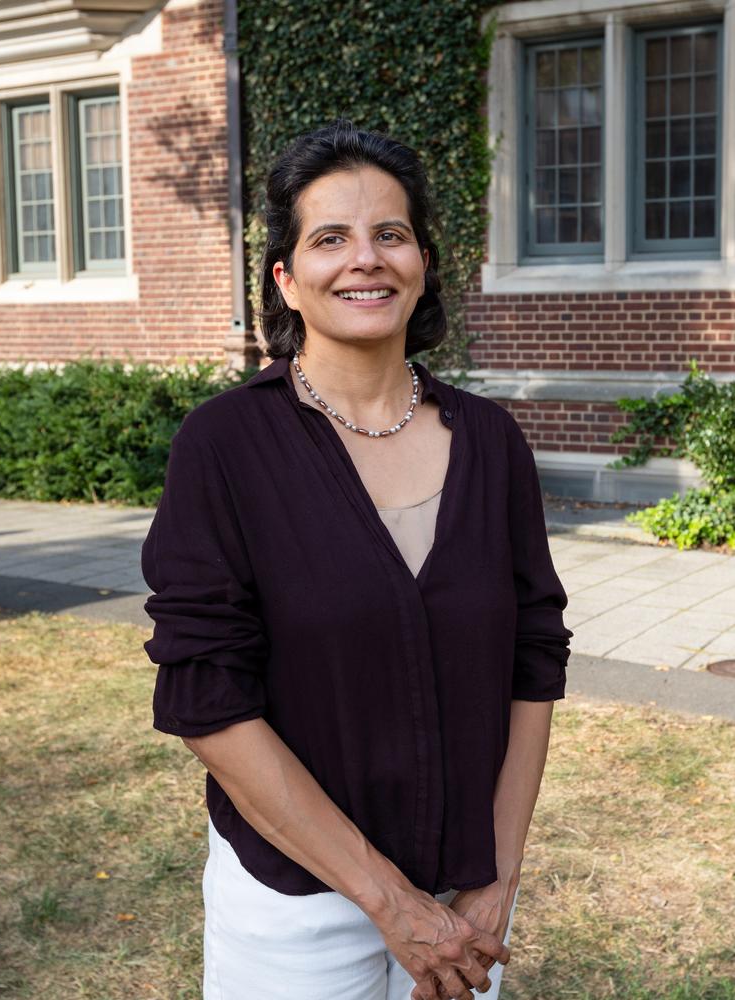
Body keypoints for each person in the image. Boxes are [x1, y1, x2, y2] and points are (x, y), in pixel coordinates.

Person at [141, 118, 572, 1000]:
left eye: (392, 235)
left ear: (421, 266)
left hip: (467, 893)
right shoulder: (223, 446)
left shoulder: (492, 443)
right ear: (288, 281)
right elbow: (207, 698)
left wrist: (498, 878)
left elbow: (535, 658)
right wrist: (388, 901)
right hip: (297, 902)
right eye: (330, 238)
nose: (365, 259)